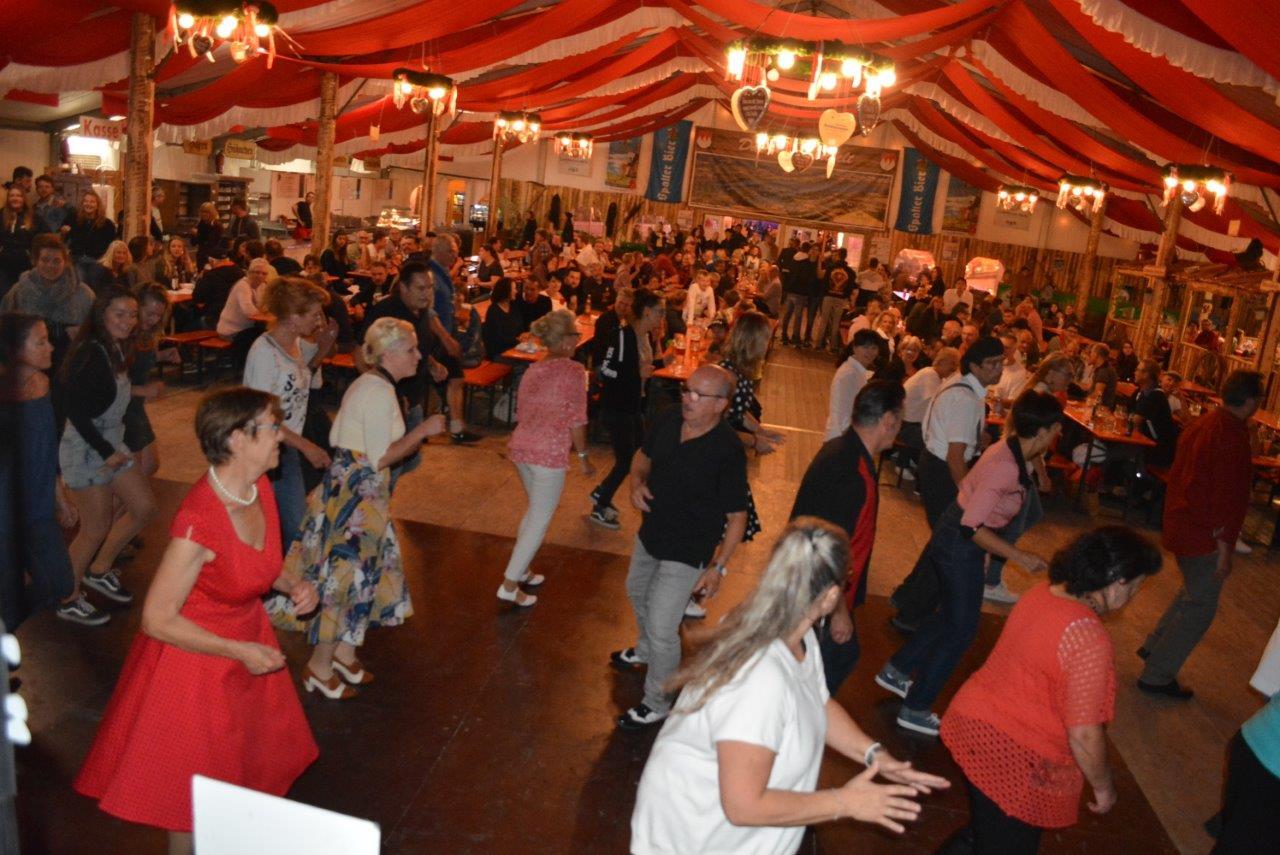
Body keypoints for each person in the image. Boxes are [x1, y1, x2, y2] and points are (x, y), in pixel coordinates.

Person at [74, 387, 319, 852]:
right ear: (236, 440)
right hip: (195, 662)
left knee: (239, 774)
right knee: (190, 799)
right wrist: (236, 650)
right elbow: (156, 618)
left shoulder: (258, 487)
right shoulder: (198, 521)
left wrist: (292, 585)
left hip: (247, 646)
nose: (281, 438)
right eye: (272, 428)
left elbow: (255, 565)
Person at [631, 518, 948, 854]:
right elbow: (744, 806)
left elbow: (818, 702)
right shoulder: (759, 679)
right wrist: (845, 802)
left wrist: (874, 755)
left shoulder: (794, 634)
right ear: (829, 597)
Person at [940, 526, 1161, 853]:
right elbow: (1084, 733)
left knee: (985, 832)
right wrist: (1104, 787)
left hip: (971, 725)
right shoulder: (1088, 638)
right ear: (1117, 582)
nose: (1134, 596)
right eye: (1137, 585)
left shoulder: (1043, 593)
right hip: (1010, 755)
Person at [270, 318, 446, 699]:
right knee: (345, 581)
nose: (418, 356)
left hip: (350, 491)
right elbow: (380, 458)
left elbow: (341, 439)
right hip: (358, 500)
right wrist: (423, 431)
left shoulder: (369, 384)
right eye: (412, 349)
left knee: (363, 577)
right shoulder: (378, 391)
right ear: (389, 353)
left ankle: (345, 654)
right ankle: (319, 666)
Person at [877, 391, 1062, 736]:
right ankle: (916, 706)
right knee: (962, 630)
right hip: (960, 544)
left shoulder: (1010, 450)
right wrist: (1020, 556)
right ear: (1042, 431)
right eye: (1055, 430)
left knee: (949, 616)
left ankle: (898, 670)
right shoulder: (1007, 467)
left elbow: (970, 497)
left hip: (956, 538)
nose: (1057, 436)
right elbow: (972, 526)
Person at [611, 365, 749, 730]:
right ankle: (644, 651)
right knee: (636, 591)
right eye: (687, 390)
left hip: (689, 549)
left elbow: (737, 516)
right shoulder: (670, 418)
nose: (687, 399)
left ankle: (656, 701)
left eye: (698, 395)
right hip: (651, 532)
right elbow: (643, 456)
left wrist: (718, 567)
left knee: (662, 626)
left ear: (721, 404)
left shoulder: (728, 450)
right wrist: (635, 483)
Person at [1138, 370, 1261, 699]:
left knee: (1190, 594)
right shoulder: (1231, 437)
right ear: (1250, 401)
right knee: (1200, 607)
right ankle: (1158, 674)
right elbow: (1225, 498)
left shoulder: (1206, 424)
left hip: (1182, 520)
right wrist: (1224, 549)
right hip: (1202, 533)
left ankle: (1153, 647)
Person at [791, 382, 905, 694]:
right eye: (900, 419)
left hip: (814, 586)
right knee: (832, 661)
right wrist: (838, 610)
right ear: (887, 421)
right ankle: (798, 725)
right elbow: (829, 548)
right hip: (818, 593)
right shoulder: (852, 472)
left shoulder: (842, 451)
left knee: (827, 660)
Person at [56, 287, 157, 625]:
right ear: (102, 315)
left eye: (132, 314)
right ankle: (67, 597)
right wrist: (105, 451)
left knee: (144, 507)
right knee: (94, 528)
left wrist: (143, 391)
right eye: (119, 314)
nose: (128, 320)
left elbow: (107, 393)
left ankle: (99, 569)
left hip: (111, 441)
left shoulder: (115, 347)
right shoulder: (90, 352)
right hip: (88, 448)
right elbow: (74, 407)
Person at [497, 311, 593, 607]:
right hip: (548, 454)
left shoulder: (534, 368)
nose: (577, 339)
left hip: (522, 448)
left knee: (534, 512)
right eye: (575, 334)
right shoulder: (575, 372)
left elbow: (523, 411)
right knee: (540, 518)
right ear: (565, 342)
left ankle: (522, 570)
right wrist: (584, 456)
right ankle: (509, 585)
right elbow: (577, 419)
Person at [243, 276, 334, 551]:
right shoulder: (263, 352)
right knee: (279, 526)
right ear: (293, 316)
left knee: (291, 525)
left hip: (286, 447)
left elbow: (308, 383)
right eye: (314, 315)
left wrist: (323, 348)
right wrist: (306, 446)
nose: (319, 322)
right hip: (262, 448)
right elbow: (260, 416)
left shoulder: (297, 344)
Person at [0, 314, 76, 630]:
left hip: (40, 507)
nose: (51, 347)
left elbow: (50, 448)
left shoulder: (47, 385)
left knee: (60, 583)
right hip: (5, 514)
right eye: (41, 342)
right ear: (15, 350)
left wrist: (60, 498)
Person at [589, 290, 663, 529]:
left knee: (641, 455)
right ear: (647, 312)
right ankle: (601, 499)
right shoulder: (623, 336)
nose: (662, 317)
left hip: (632, 405)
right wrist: (636, 375)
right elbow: (606, 371)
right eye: (660, 312)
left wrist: (662, 362)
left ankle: (607, 497)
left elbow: (643, 367)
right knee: (627, 461)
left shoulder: (645, 338)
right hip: (617, 406)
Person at [0, 233, 94, 372]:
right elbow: (5, 329)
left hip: (71, 368)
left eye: (57, 261)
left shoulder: (83, 294)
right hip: (29, 369)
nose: (50, 265)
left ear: (65, 262)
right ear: (35, 261)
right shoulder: (18, 291)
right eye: (45, 260)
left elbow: (96, 328)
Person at [125, 286, 180, 478]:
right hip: (123, 410)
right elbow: (109, 384)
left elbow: (141, 359)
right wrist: (144, 390)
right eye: (149, 313)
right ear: (136, 306)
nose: (154, 319)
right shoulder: (125, 335)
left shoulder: (146, 334)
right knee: (134, 474)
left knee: (149, 466)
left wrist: (161, 354)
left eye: (158, 315)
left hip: (135, 407)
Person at [898, 347, 959, 478]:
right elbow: (937, 404)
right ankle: (906, 467)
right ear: (942, 362)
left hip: (907, 421)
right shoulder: (930, 376)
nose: (954, 368)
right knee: (937, 440)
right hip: (905, 425)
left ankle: (914, 464)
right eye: (952, 363)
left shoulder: (933, 375)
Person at [823, 329, 883, 441]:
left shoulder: (857, 371)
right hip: (841, 438)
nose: (870, 352)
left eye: (874, 348)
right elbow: (843, 414)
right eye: (865, 347)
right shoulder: (848, 374)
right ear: (855, 348)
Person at [1129, 358, 1177, 468]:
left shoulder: (1155, 395)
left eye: (1138, 370)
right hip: (1144, 443)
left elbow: (1135, 422)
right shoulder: (1141, 391)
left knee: (1111, 453)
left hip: (1157, 450)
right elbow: (1126, 411)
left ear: (1146, 375)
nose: (1134, 372)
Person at [64, 190, 117, 284]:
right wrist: (63, 232)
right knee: (80, 283)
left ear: (97, 205)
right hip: (77, 259)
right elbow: (63, 237)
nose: (88, 204)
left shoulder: (107, 224)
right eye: (86, 201)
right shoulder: (73, 219)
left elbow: (111, 245)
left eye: (92, 202)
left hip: (97, 261)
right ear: (82, 203)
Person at [0, 185, 39, 296]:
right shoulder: (1, 215)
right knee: (5, 294)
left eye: (18, 196)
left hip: (25, 263)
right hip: (3, 263)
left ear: (23, 199)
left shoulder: (33, 217)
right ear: (8, 198)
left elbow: (43, 237)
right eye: (12, 195)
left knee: (22, 294)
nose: (15, 198)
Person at [780, 242, 816, 346]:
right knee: (798, 316)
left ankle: (784, 334)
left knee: (787, 313)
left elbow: (787, 273)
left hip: (790, 290)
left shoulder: (793, 259)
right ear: (808, 250)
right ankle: (795, 336)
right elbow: (807, 278)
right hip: (801, 292)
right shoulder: (807, 263)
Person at [813, 267, 855, 354]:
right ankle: (833, 346)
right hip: (840, 298)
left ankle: (818, 344)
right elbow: (851, 286)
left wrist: (824, 294)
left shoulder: (830, 268)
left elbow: (824, 283)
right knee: (836, 323)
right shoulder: (849, 271)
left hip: (828, 296)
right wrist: (845, 296)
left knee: (824, 321)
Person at [192, 201, 223, 268]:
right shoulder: (200, 224)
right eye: (202, 212)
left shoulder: (217, 225)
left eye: (206, 212)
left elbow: (211, 243)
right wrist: (193, 235)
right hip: (201, 256)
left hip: (212, 257)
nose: (204, 214)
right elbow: (193, 243)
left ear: (212, 212)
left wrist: (198, 234)